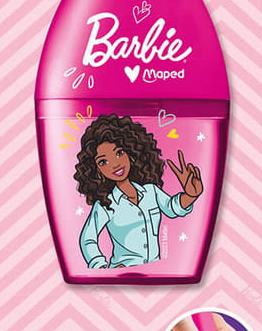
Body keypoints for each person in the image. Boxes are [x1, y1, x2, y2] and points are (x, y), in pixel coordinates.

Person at [74, 113, 203, 269]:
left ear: (131, 152)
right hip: (121, 274)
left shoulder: (151, 192)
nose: (115, 164)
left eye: (119, 153)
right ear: (96, 170)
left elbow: (172, 208)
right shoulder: (105, 204)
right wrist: (101, 267)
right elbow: (88, 238)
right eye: (103, 162)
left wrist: (191, 195)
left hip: (156, 271)